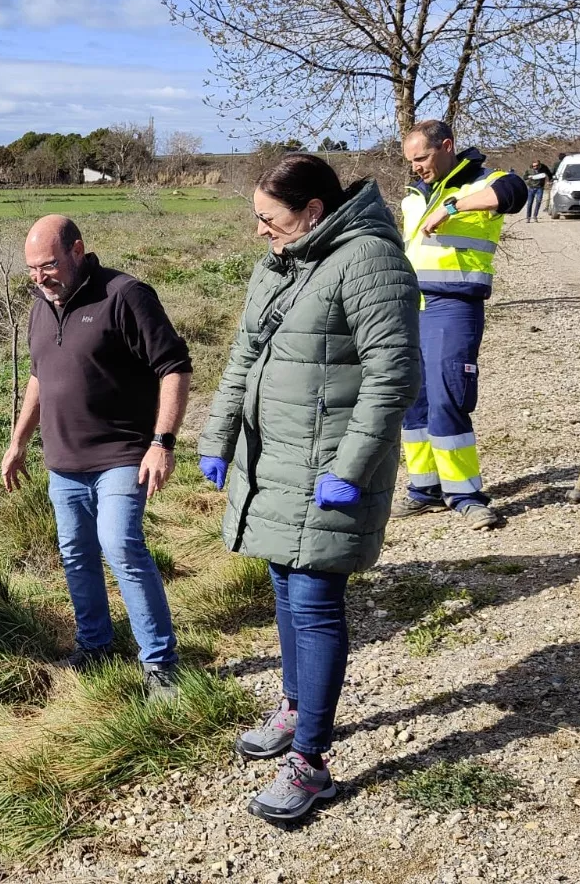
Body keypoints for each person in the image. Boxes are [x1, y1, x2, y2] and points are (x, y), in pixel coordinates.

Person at [197, 154, 421, 822]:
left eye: (270, 218)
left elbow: (393, 374)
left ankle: (311, 763)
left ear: (313, 211)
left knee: (317, 603)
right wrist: (218, 437)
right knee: (284, 589)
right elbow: (243, 357)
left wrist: (349, 470)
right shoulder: (280, 264)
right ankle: (296, 708)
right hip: (273, 462)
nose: (260, 231)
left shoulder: (369, 261)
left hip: (326, 469)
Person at [0, 214, 192, 702]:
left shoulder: (125, 295)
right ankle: (95, 645)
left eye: (48, 266)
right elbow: (40, 377)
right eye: (31, 270)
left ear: (77, 250)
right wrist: (18, 441)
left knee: (120, 545)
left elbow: (174, 367)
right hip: (63, 462)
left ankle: (160, 664)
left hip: (122, 454)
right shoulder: (40, 306)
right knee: (76, 554)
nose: (40, 278)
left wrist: (162, 442)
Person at [396, 120, 526, 530]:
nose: (416, 167)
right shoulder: (415, 195)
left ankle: (466, 495)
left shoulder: (484, 182)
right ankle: (425, 490)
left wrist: (451, 207)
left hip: (452, 306)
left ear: (447, 146)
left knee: (448, 398)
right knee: (413, 401)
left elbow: (514, 193)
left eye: (421, 157)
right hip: (410, 306)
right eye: (411, 161)